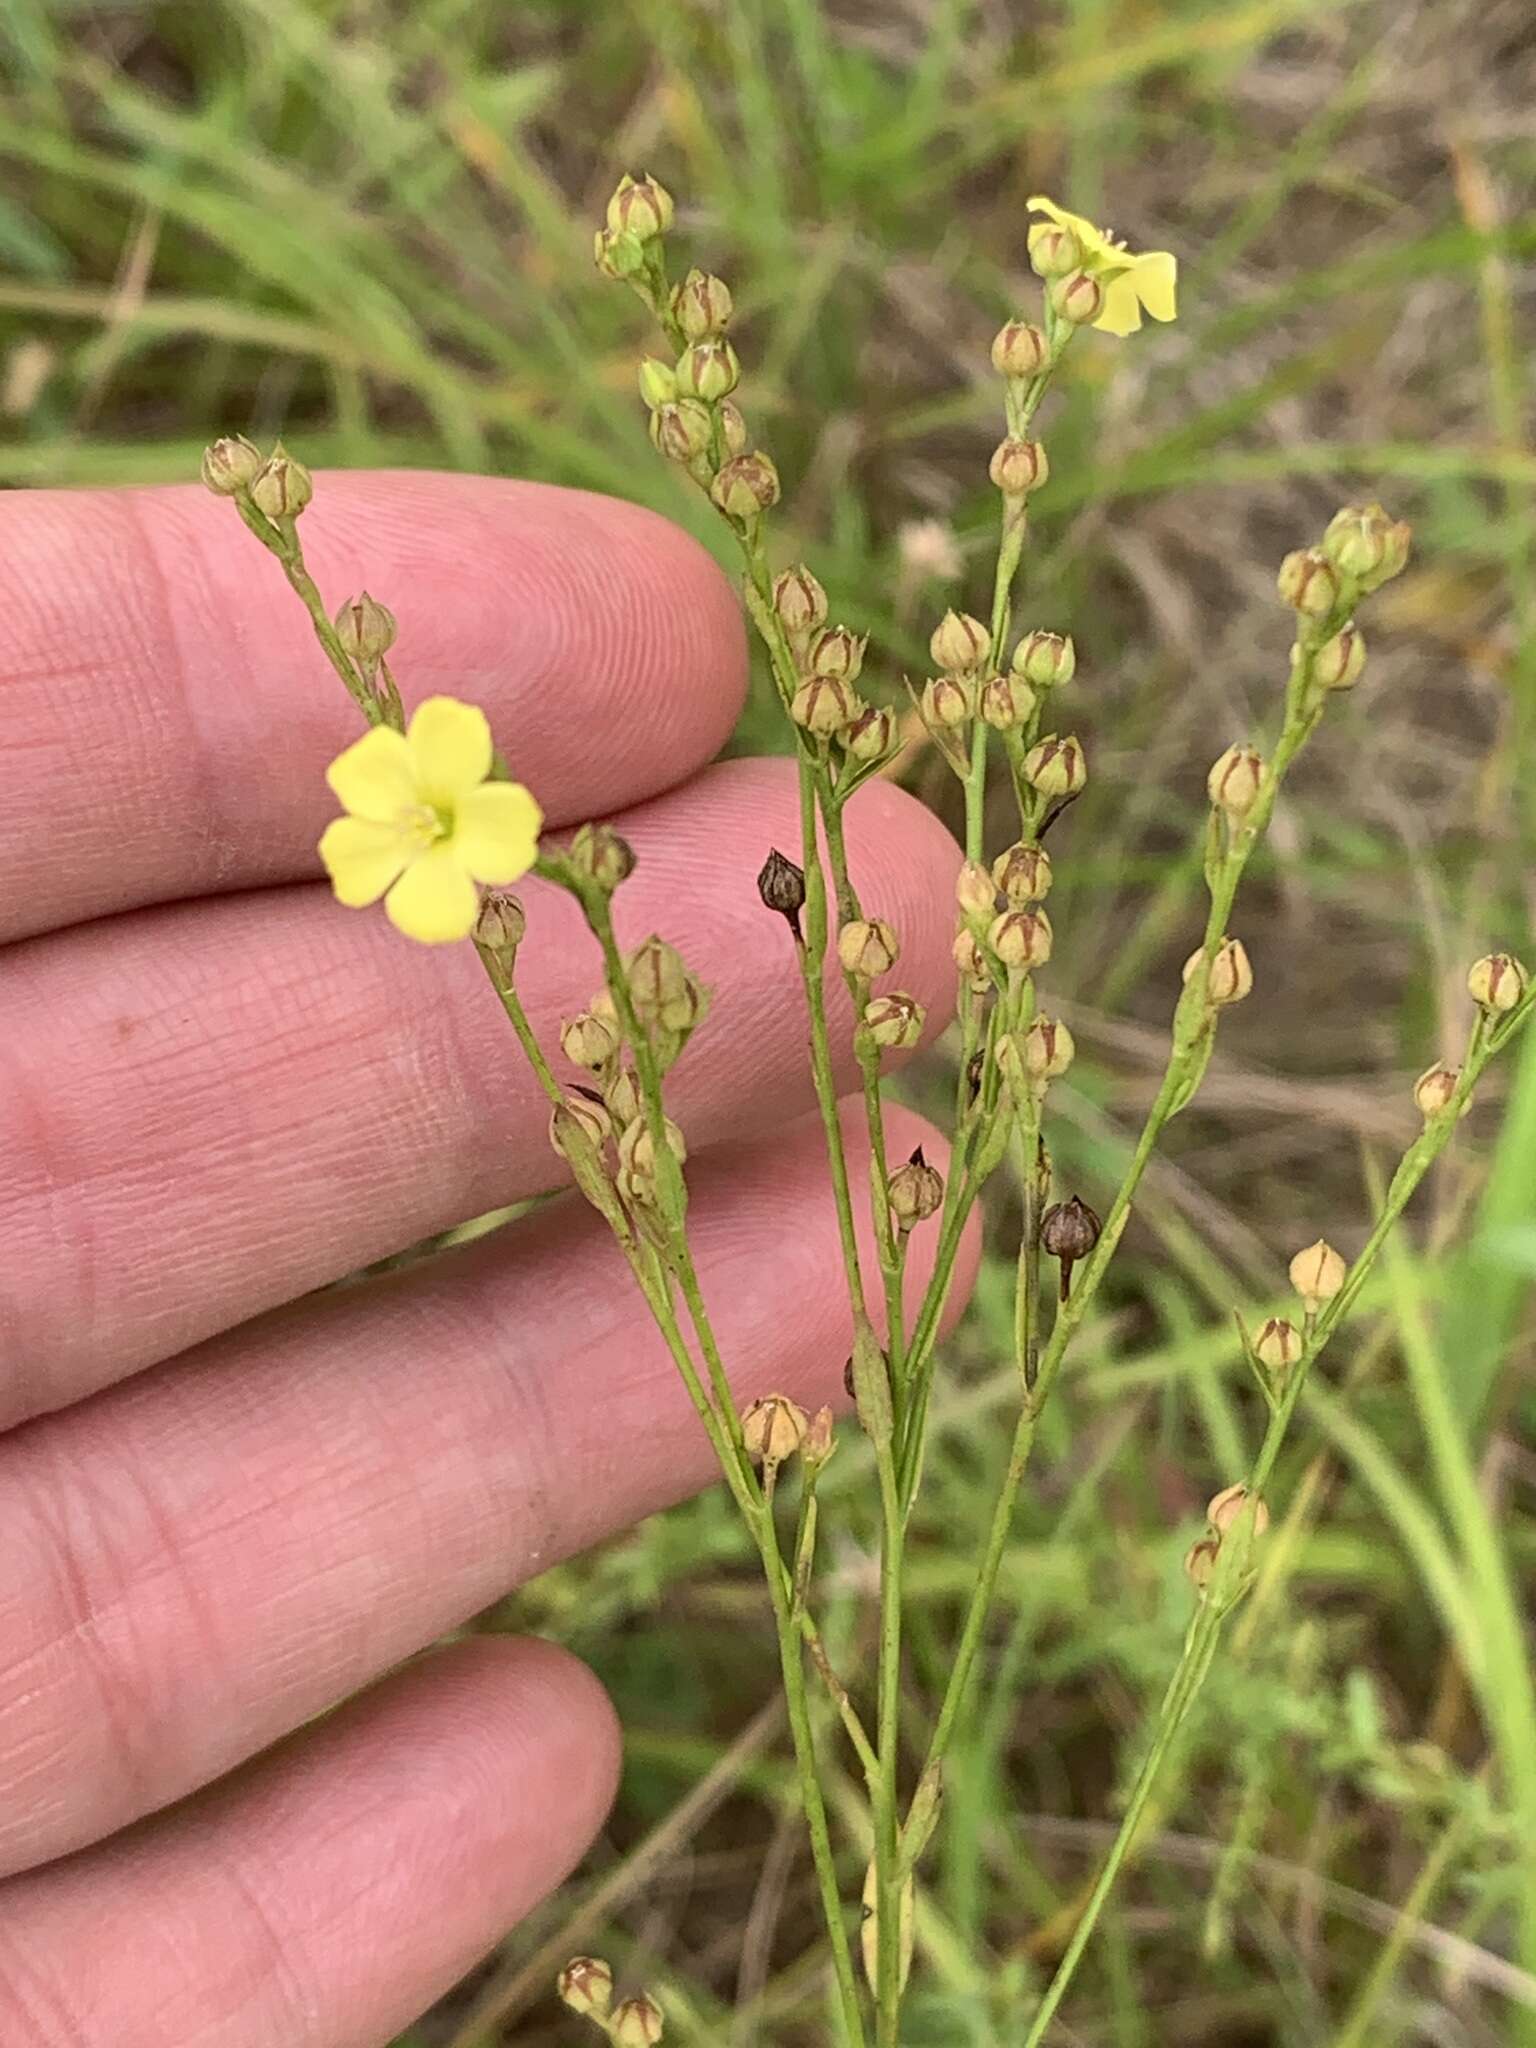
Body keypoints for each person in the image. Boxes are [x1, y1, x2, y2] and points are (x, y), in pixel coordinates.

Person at [0, 470, 973, 2045]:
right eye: (430, 818)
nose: (434, 819)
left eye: (442, 816)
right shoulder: (425, 820)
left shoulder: (466, 816)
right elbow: (430, 826)